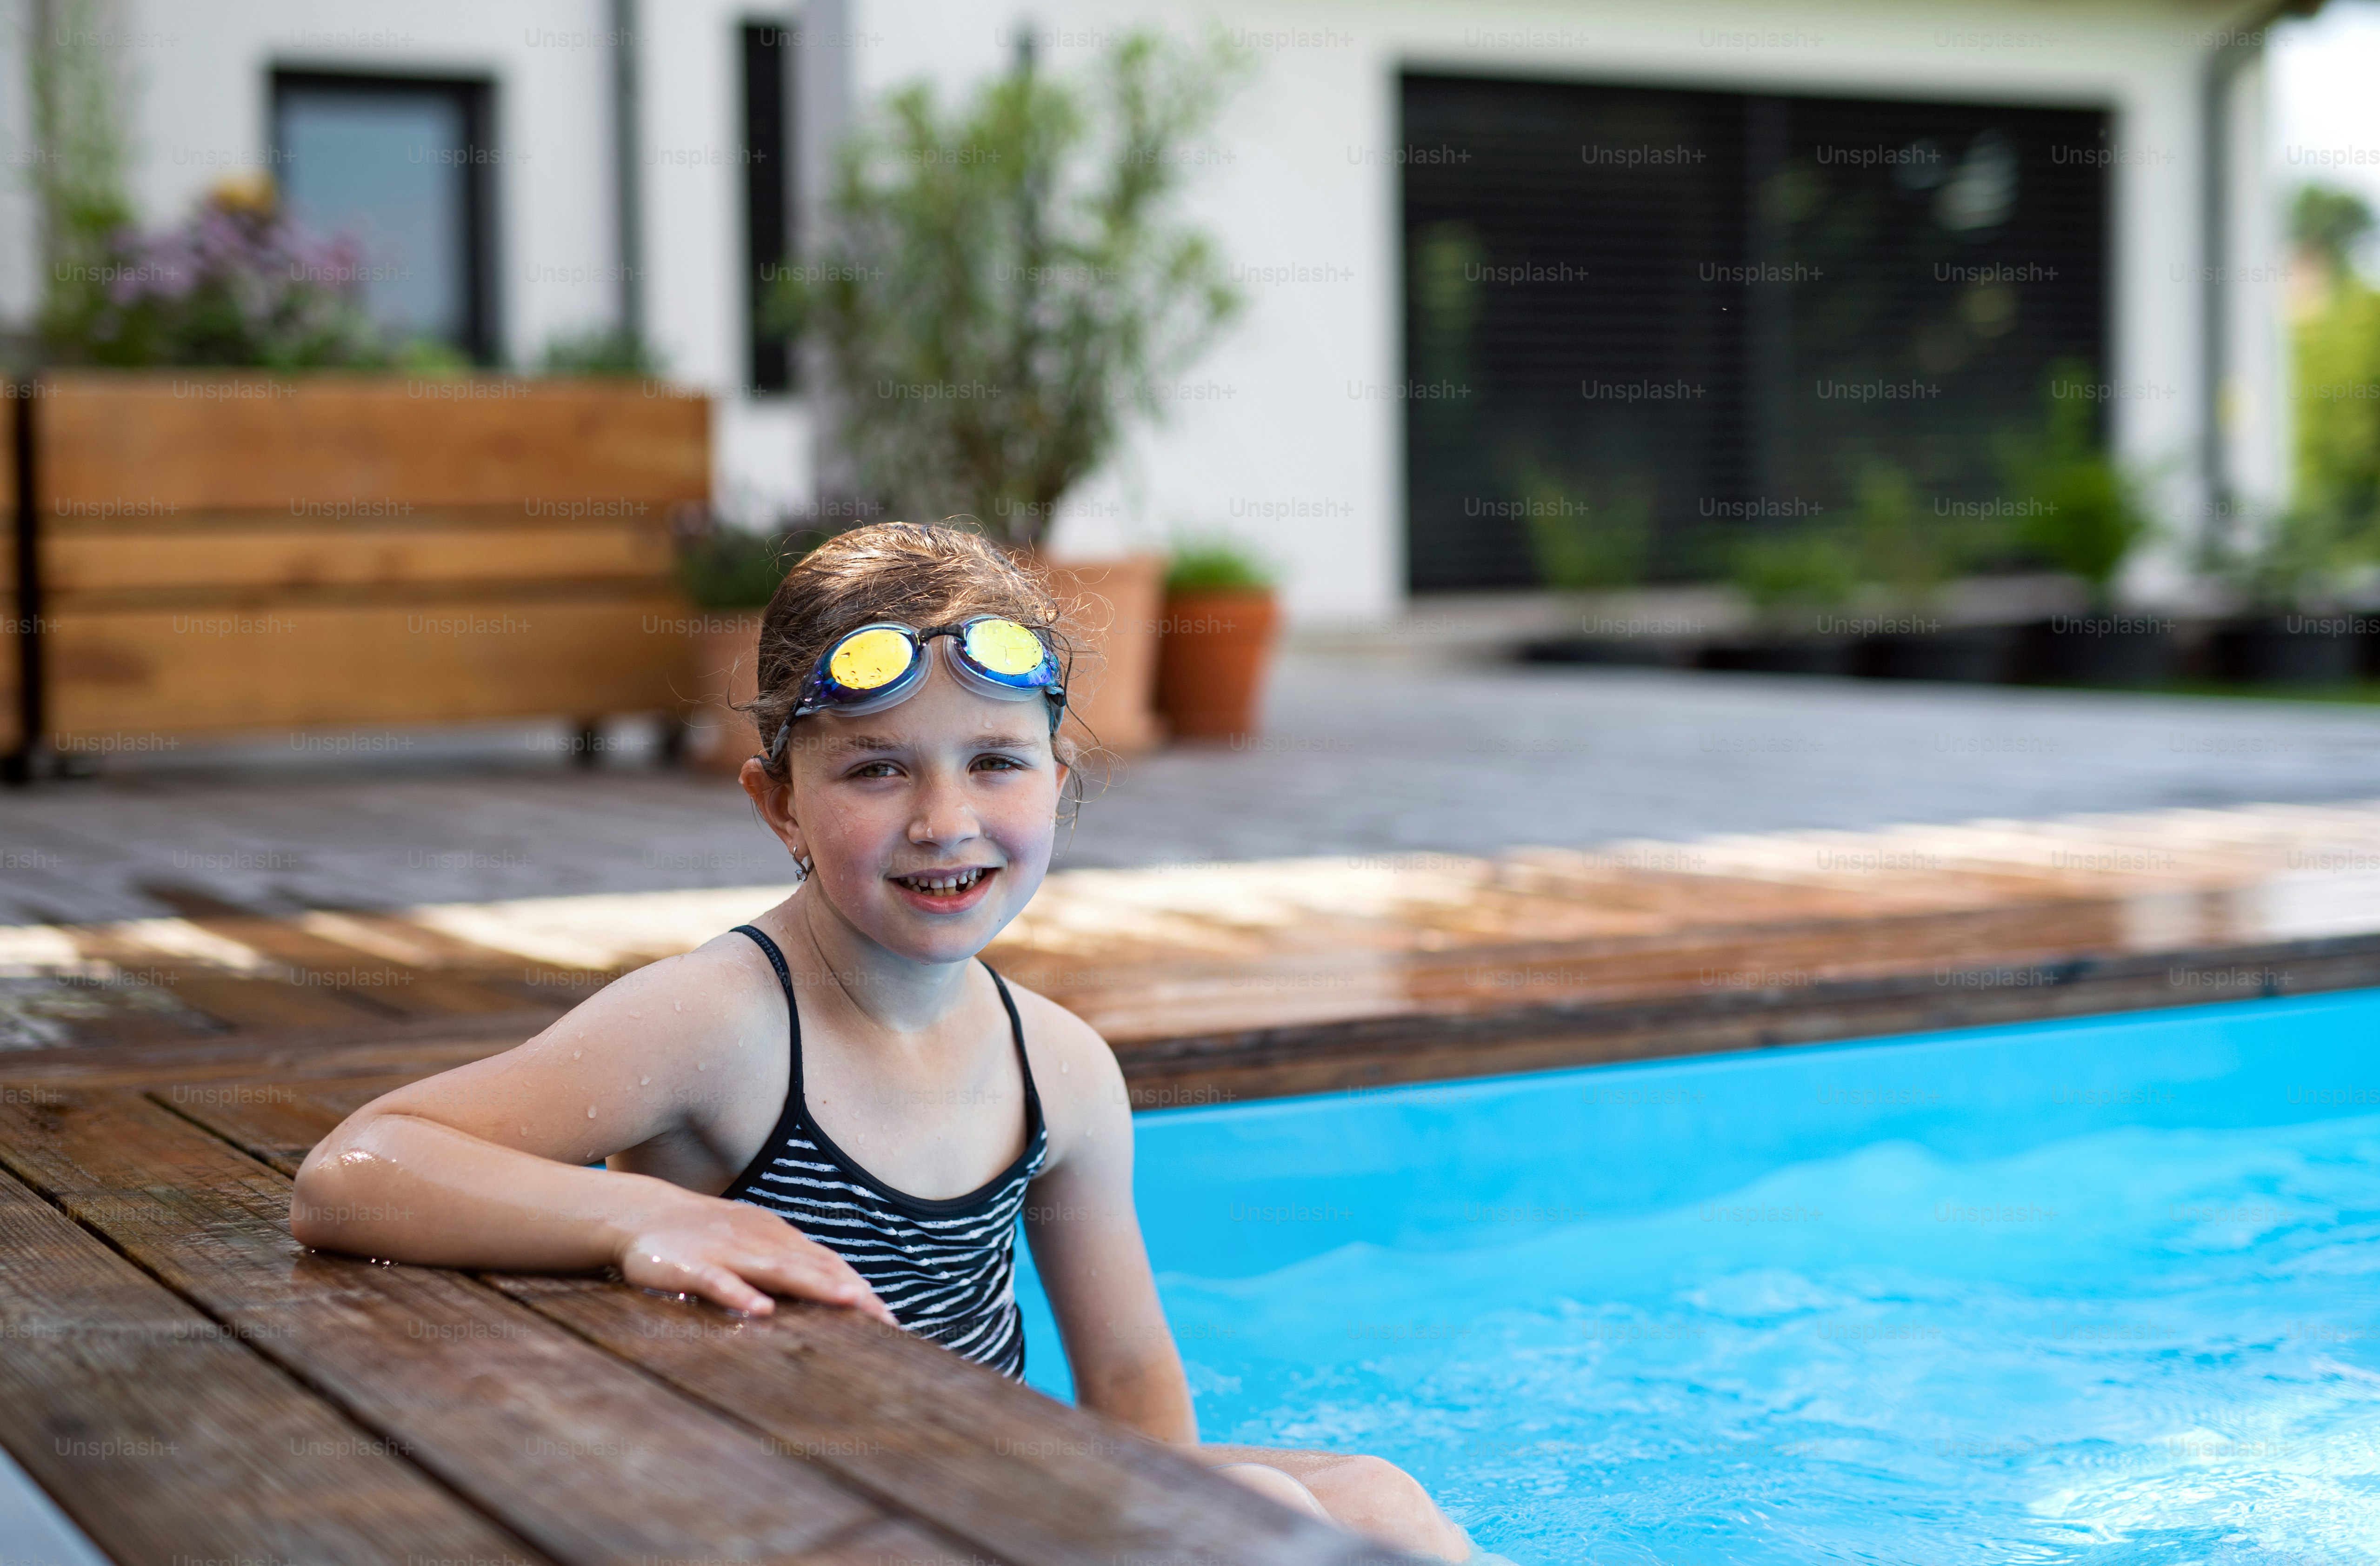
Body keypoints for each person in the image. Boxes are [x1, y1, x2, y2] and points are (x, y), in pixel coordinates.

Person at [292, 521, 1477, 1561]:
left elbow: (1128, 1395)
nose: (944, 821)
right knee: (1262, 1519)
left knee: (1370, 1496)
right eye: (876, 769)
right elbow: (356, 1172)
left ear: (1057, 783)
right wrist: (650, 1217)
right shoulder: (721, 1021)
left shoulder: (1059, 1068)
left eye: (996, 762)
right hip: (799, 1510)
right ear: (780, 805)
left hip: (989, 1496)